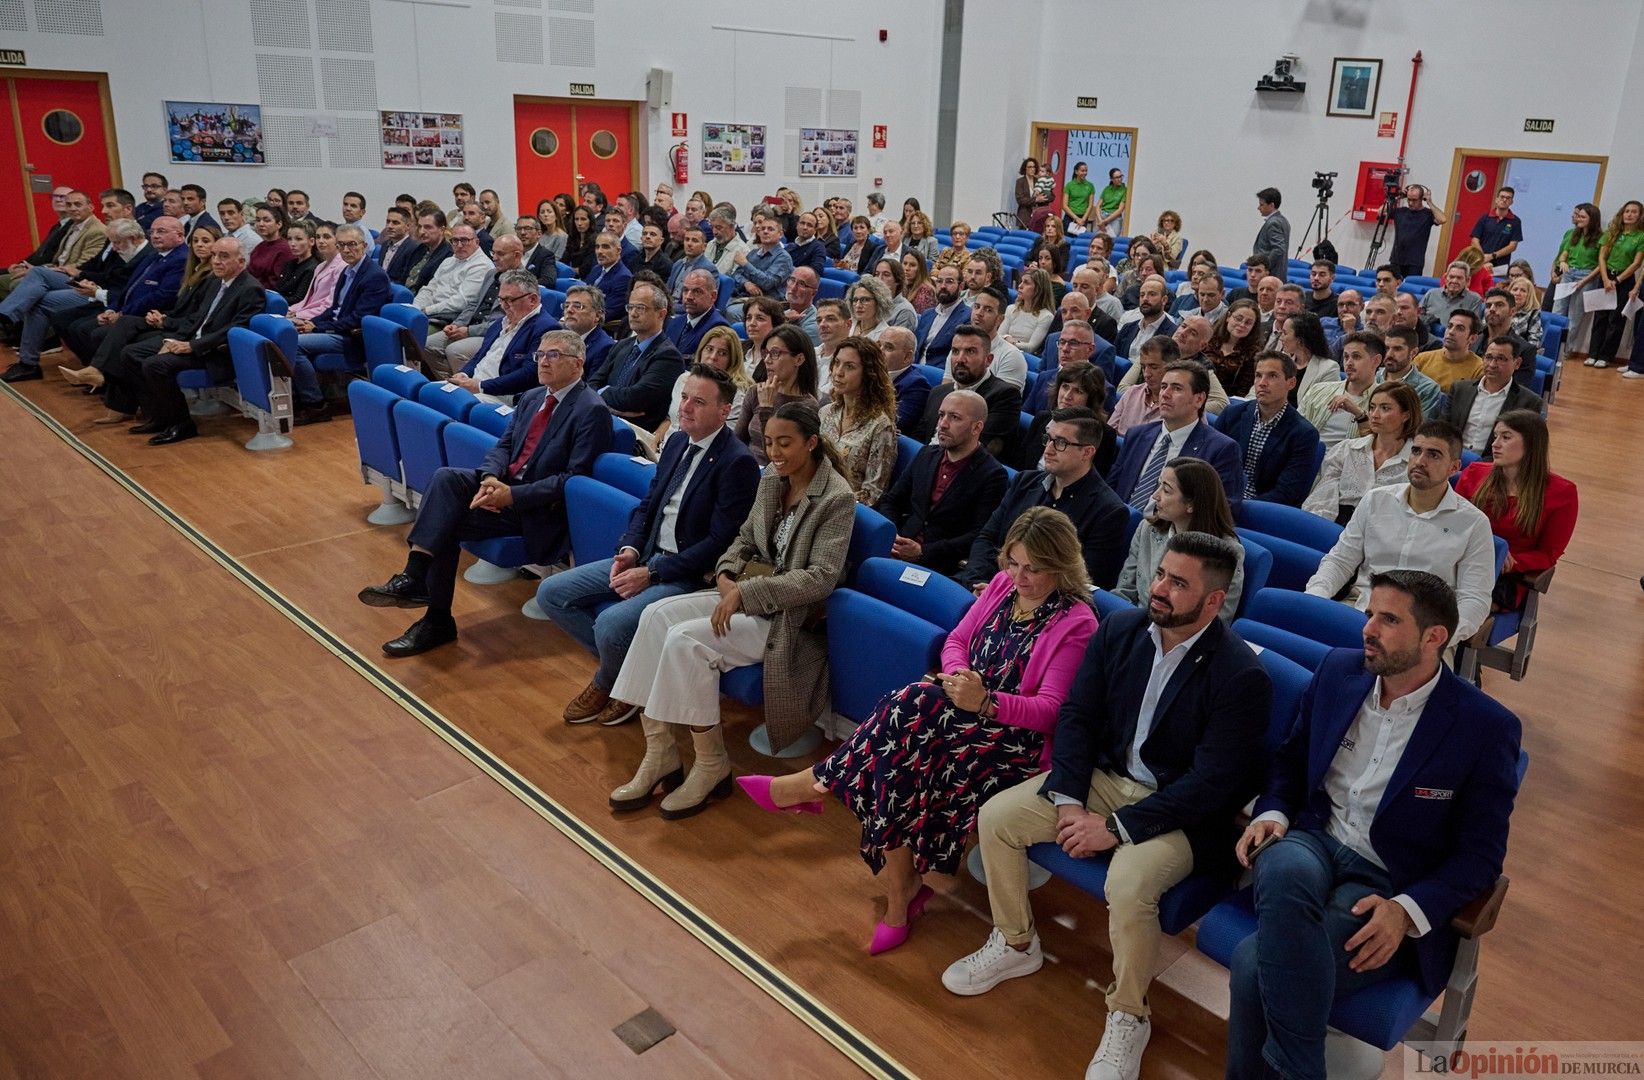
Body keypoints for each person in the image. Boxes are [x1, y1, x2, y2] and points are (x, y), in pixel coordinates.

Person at [946, 532, 1271, 1080]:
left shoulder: (1242, 676)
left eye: (1178, 582)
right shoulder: (1121, 628)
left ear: (1214, 602)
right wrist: (1071, 801)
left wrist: (1116, 828)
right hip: (1103, 780)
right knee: (998, 817)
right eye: (1162, 573)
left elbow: (1212, 787)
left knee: (1128, 883)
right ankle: (1016, 941)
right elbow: (1077, 717)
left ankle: (1129, 1014)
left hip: (1181, 813)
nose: (1160, 588)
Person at [741, 507, 1098, 952]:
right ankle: (898, 892)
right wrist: (959, 678)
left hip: (1010, 742)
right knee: (901, 747)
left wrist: (985, 702)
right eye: (1014, 562)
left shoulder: (1077, 621)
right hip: (956, 712)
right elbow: (956, 641)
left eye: (1035, 569)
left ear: (1063, 566)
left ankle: (817, 789)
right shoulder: (1004, 586)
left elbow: (1050, 711)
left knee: (906, 712)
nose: (1020, 577)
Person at [1228, 570, 1521, 1080]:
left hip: (1385, 878)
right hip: (1315, 838)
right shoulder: (1339, 671)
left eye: (1388, 619)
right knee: (1279, 864)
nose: (1367, 629)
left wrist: (1408, 912)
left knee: (1256, 965)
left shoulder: (1485, 727)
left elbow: (1480, 857)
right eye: (1369, 614)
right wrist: (1273, 812)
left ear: (1434, 637)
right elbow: (1291, 762)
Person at [609, 402, 857, 812]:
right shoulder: (771, 481)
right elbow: (741, 540)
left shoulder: (836, 498)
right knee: (654, 616)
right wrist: (725, 576)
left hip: (783, 618)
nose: (774, 453)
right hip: (740, 596)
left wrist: (745, 593)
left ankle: (711, 764)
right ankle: (660, 753)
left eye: (785, 444)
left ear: (812, 443)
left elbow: (821, 578)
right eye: (769, 443)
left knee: (686, 640)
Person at [357, 329, 612, 657]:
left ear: (577, 365)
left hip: (536, 510)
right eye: (540, 355)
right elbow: (504, 446)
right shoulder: (534, 397)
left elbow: (572, 481)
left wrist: (512, 496)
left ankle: (433, 614)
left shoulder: (591, 410)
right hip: (503, 490)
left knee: (443, 523)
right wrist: (491, 478)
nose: (543, 362)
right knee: (446, 479)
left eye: (553, 356)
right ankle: (418, 580)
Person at [543, 364, 761, 727]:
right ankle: (631, 675)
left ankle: (612, 684)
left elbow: (718, 544)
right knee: (552, 593)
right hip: (646, 555)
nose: (685, 408)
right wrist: (629, 549)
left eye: (699, 402)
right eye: (685, 398)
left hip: (686, 572)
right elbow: (647, 507)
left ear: (724, 412)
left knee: (611, 625)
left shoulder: (737, 463)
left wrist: (653, 572)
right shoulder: (677, 441)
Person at [1306, 421, 1496, 643]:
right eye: (1416, 451)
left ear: (1454, 467)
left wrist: (1437, 638)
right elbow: (1340, 561)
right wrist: (1314, 599)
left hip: (1422, 631)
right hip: (1360, 613)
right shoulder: (1376, 500)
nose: (1419, 461)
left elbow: (1474, 599)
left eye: (1433, 455)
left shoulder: (1473, 524)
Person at [102, 237, 265, 445]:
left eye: (224, 256)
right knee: (130, 354)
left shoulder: (250, 289)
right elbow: (197, 318)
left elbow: (235, 330)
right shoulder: (215, 282)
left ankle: (181, 424)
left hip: (214, 352)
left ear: (241, 262)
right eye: (214, 255)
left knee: (156, 365)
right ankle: (159, 418)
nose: (215, 261)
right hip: (192, 340)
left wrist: (190, 346)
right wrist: (173, 337)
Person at [965, 407, 1130, 591]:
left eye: (1060, 443)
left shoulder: (1108, 511)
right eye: (1048, 439)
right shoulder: (1024, 481)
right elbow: (987, 538)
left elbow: (1082, 581)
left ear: (1087, 452)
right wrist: (978, 582)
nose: (1048, 450)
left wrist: (1003, 592)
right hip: (986, 585)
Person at [1454, 410, 1578, 611]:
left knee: (1450, 608)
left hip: (1505, 577)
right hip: (1461, 561)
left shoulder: (1562, 492)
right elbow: (1453, 523)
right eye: (1495, 437)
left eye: (1506, 437)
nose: (1495, 444)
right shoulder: (1475, 473)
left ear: (1530, 444)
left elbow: (1548, 554)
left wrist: (1511, 560)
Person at [877, 388, 1008, 576]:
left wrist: (923, 552)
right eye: (941, 415)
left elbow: (979, 534)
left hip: (940, 565)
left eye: (954, 417)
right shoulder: (926, 455)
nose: (943, 425)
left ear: (976, 427)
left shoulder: (993, 475)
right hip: (897, 547)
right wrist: (892, 534)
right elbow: (892, 500)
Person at [1114, 455, 1246, 620]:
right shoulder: (1147, 529)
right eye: (1159, 485)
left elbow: (1217, 619)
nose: (1155, 495)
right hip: (1134, 623)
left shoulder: (1227, 552)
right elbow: (1124, 591)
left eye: (1166, 490)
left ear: (1191, 504)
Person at [288, 223, 394, 421]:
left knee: (294, 346)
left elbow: (359, 318)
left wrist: (318, 327)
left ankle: (316, 405)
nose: (346, 250)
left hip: (352, 337)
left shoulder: (374, 276)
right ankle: (301, 396)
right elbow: (333, 309)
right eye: (341, 245)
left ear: (363, 246)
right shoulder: (346, 272)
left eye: (352, 244)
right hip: (336, 329)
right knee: (289, 334)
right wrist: (309, 322)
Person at [1109, 359, 1244, 508]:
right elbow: (1112, 487)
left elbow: (1222, 509)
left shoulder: (1221, 450)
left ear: (1199, 399)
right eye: (1163, 386)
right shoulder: (1137, 435)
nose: (1165, 394)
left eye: (1177, 388)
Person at [1305, 382, 1421, 524]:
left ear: (1406, 415)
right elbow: (1322, 499)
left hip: (1382, 531)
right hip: (1335, 522)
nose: (1374, 415)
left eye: (1385, 408)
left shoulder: (1417, 463)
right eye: (1372, 408)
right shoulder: (1347, 449)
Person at [1216, 352, 1323, 506]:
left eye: (1272, 376)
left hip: (1261, 509)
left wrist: (1237, 506)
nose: (1262, 383)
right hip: (1218, 499)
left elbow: (1287, 493)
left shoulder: (1304, 433)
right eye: (1258, 375)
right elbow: (1208, 464)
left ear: (1291, 383)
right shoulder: (1231, 415)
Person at [443, 268, 556, 406]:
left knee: (447, 402)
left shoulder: (546, 328)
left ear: (532, 299)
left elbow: (529, 375)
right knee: (429, 392)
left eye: (509, 300)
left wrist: (480, 386)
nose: (503, 306)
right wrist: (464, 375)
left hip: (500, 395)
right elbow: (479, 357)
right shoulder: (500, 322)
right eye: (501, 299)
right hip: (475, 385)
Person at [587, 281, 684, 431]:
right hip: (601, 420)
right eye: (630, 307)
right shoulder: (622, 345)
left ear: (661, 314)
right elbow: (592, 383)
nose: (633, 313)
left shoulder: (668, 356)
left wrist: (603, 392)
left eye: (640, 308)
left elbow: (635, 399)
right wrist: (610, 406)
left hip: (634, 433)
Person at [914, 324, 1023, 457]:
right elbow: (918, 440)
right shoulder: (938, 392)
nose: (960, 359)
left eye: (970, 351)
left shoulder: (1005, 396)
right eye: (955, 351)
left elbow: (978, 451)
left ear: (988, 360)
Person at [820, 335, 899, 505]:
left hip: (845, 510)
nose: (838, 372)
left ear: (868, 374)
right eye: (837, 363)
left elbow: (872, 493)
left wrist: (828, 503)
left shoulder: (880, 425)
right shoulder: (826, 413)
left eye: (849, 366)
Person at [735, 324, 819, 468]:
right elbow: (737, 440)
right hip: (745, 468)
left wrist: (766, 409)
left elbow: (776, 458)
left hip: (776, 477)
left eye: (775, 353)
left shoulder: (807, 405)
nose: (767, 360)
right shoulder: (756, 391)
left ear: (799, 359)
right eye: (765, 353)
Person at [653, 326, 750, 447]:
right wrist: (656, 438)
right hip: (666, 447)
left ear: (732, 360)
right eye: (709, 349)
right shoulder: (684, 379)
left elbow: (723, 439)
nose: (713, 357)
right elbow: (672, 419)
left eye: (722, 353)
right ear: (701, 351)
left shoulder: (735, 393)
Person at [1446, 337, 1544, 455]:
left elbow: (1525, 448)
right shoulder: (1459, 389)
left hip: (1493, 466)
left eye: (1501, 359)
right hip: (1452, 459)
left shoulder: (1529, 402)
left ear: (1517, 363)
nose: (1492, 364)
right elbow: (1443, 430)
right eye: (1489, 357)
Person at [1021, 364, 1118, 477]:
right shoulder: (1042, 418)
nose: (1067, 396)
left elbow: (1092, 481)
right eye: (1065, 387)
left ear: (1091, 399)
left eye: (1078, 391)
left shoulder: (1104, 435)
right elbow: (1021, 464)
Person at [1585, 199, 1644, 369]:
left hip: (1623, 280)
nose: (1630, 214)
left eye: (1634, 212)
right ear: (1622, 213)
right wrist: (1605, 279)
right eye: (1627, 211)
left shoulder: (1640, 236)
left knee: (1616, 320)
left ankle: (1605, 356)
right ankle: (1593, 354)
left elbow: (1636, 263)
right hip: (1605, 278)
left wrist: (1617, 280)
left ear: (1640, 216)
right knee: (1600, 317)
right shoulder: (1612, 232)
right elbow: (1602, 257)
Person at [1299, 331, 1381, 446]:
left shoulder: (1384, 401)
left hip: (1348, 462)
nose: (1349, 363)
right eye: (1346, 357)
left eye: (1356, 357)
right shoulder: (1318, 390)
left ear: (1376, 361)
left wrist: (1359, 414)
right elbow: (1295, 430)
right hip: (1308, 458)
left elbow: (1379, 446)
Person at [1551, 202, 1602, 357]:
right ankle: (1551, 345)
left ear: (1592, 219)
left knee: (1575, 315)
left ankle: (1566, 350)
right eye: (1578, 215)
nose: (1578, 219)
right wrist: (1562, 262)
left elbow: (1601, 263)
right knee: (1557, 310)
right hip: (1569, 273)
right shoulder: (1574, 233)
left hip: (1587, 276)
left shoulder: (1601, 237)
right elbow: (1564, 252)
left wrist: (1585, 280)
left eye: (1582, 216)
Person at [1108, 336, 1177, 436]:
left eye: (1154, 367)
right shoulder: (1132, 392)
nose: (1146, 374)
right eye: (1143, 367)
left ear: (1173, 367)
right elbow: (1108, 435)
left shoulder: (1184, 407)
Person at [662, 267, 729, 358]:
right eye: (685, 290)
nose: (688, 297)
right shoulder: (674, 322)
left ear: (713, 296)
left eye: (697, 291)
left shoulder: (718, 329)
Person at [1379, 325, 1443, 418]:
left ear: (1413, 353)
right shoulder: (1371, 377)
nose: (1389, 354)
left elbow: (1420, 428)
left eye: (1397, 349)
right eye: (1387, 348)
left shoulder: (1427, 388)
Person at [1278, 311, 1342, 403]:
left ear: (1300, 339)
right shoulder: (1281, 360)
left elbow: (1320, 407)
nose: (1281, 337)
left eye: (1285, 333)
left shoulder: (1328, 368)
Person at [914, 262, 970, 367]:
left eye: (949, 282)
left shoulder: (967, 317)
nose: (943, 286)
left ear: (961, 286)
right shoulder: (927, 314)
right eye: (939, 281)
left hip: (940, 375)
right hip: (914, 370)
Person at [1414, 310, 1485, 392]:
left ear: (1472, 338)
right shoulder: (1422, 359)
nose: (1451, 332)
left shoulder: (1479, 369)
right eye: (1449, 326)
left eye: (1460, 329)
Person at [1387, 183, 1447, 278]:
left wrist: (1430, 203)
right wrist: (1397, 198)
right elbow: (1381, 212)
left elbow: (1442, 219)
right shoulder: (1401, 211)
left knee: (1410, 289)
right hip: (1396, 259)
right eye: (1409, 199)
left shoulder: (1427, 214)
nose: (1410, 203)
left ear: (1422, 199)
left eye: (1414, 200)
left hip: (1414, 262)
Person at [1205, 299, 1262, 397]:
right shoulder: (1208, 338)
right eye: (1238, 318)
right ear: (1228, 317)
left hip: (1226, 400)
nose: (1242, 325)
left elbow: (1243, 390)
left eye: (1248, 323)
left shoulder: (1254, 353)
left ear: (1253, 326)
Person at [879, 325, 929, 433]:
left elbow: (895, 424)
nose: (879, 351)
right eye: (879, 345)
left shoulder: (916, 385)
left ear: (907, 357)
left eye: (888, 347)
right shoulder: (870, 372)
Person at [1115, 276, 1176, 363]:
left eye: (1152, 294)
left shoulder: (1172, 333)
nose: (1145, 299)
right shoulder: (1127, 328)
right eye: (1142, 295)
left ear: (1164, 300)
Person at [1466, 185, 1522, 276]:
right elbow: (1474, 240)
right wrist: (1483, 258)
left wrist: (1492, 256)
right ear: (1496, 199)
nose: (1504, 200)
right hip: (1479, 262)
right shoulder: (1485, 217)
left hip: (1500, 267)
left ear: (1511, 202)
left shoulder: (1515, 221)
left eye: (1508, 198)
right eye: (1502, 197)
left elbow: (1513, 246)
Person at [998, 267, 1055, 355]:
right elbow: (998, 337)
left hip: (1025, 358)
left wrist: (1010, 341)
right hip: (1003, 352)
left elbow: (1030, 348)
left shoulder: (1046, 316)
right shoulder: (1011, 309)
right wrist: (1007, 338)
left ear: (1038, 289)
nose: (1020, 286)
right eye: (1021, 281)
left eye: (1026, 283)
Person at [1419, 261, 1486, 329]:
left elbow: (1472, 327)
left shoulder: (1474, 299)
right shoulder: (1431, 293)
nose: (1454, 281)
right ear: (1445, 278)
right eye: (1451, 277)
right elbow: (1417, 316)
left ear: (1467, 281)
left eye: (1459, 278)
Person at [273, 221, 319, 304]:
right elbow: (278, 289)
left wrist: (271, 300)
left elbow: (298, 299)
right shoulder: (289, 264)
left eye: (298, 239)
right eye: (289, 239)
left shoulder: (312, 268)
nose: (292, 243)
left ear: (311, 241)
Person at [871, 257, 919, 331]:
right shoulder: (871, 302)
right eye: (876, 274)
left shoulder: (905, 312)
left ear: (898, 280)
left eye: (886, 275)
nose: (879, 279)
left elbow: (897, 342)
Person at [1252, 187, 1290, 270]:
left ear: (1271, 205)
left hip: (1270, 274)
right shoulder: (1283, 220)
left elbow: (1278, 249)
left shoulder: (1273, 223)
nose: (1258, 208)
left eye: (1261, 205)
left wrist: (1264, 268)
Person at [847, 276, 894, 341]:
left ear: (879, 302)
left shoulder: (884, 335)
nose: (858, 305)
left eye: (865, 300)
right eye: (855, 300)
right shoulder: (848, 324)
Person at [1060, 162, 1096, 233]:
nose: (1085, 173)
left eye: (1086, 171)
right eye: (1082, 171)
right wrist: (1076, 218)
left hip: (1083, 218)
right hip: (1069, 218)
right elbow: (1064, 205)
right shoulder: (1069, 185)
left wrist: (1083, 219)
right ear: (1076, 172)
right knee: (1067, 241)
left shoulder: (1090, 186)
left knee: (1079, 241)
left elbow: (1090, 205)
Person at [1014, 158, 1046, 229]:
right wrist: (1035, 200)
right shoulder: (1020, 181)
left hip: (1037, 216)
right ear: (1025, 168)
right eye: (1030, 167)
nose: (1032, 169)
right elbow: (1020, 200)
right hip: (1024, 216)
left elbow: (1047, 196)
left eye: (1034, 167)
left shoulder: (1039, 181)